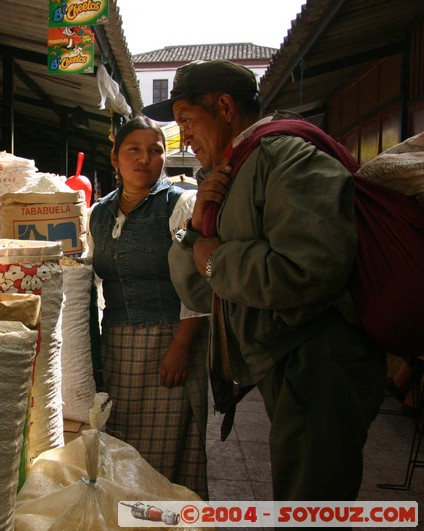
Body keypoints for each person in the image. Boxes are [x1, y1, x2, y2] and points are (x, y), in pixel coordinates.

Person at [143, 59, 386, 502]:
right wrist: (194, 231)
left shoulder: (286, 156)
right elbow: (200, 289)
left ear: (225, 107)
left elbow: (307, 269)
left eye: (187, 120)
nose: (184, 136)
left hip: (319, 362)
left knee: (311, 507)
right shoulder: (232, 171)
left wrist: (216, 259)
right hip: (285, 361)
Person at [87, 114, 210, 498]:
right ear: (115, 157)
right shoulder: (99, 213)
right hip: (118, 344)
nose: (144, 159)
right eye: (133, 150)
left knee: (164, 458)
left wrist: (181, 346)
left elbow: (198, 283)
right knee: (121, 448)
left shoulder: (180, 205)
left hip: (170, 341)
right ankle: (125, 520)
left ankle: (163, 521)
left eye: (155, 151)